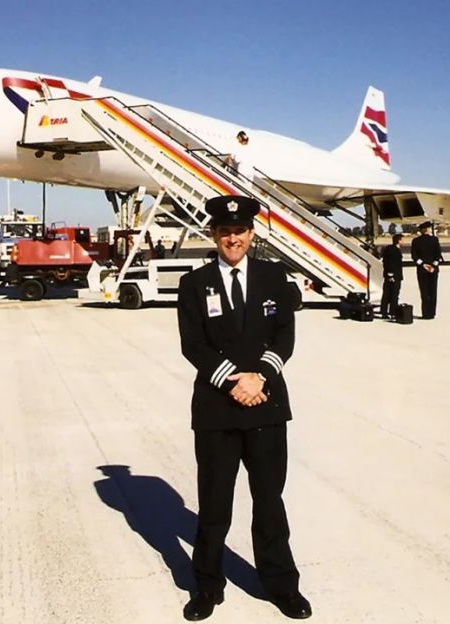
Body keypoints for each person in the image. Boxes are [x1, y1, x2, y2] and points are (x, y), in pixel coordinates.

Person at [176, 195, 311, 621]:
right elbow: (193, 344)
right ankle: (207, 586)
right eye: (224, 231)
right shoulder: (195, 284)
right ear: (214, 235)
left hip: (266, 406)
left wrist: (259, 379)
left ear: (251, 234)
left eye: (239, 231)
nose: (232, 238)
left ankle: (281, 586)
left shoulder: (275, 277)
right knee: (215, 504)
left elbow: (283, 337)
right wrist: (233, 381)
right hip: (218, 409)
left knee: (270, 501)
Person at [410, 221, 443, 319]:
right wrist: (433, 265)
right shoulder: (434, 240)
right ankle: (432, 313)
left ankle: (425, 313)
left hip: (422, 270)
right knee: (433, 292)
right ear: (427, 229)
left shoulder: (416, 241)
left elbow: (414, 256)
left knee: (424, 292)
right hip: (433, 270)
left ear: (421, 230)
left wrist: (423, 265)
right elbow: (438, 255)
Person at [379, 233, 404, 318]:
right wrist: (391, 275)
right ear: (399, 241)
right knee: (393, 294)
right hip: (394, 276)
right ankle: (392, 312)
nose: (403, 242)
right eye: (402, 240)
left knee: (386, 294)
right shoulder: (394, 251)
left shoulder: (388, 248)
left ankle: (384, 311)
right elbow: (390, 263)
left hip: (389, 275)